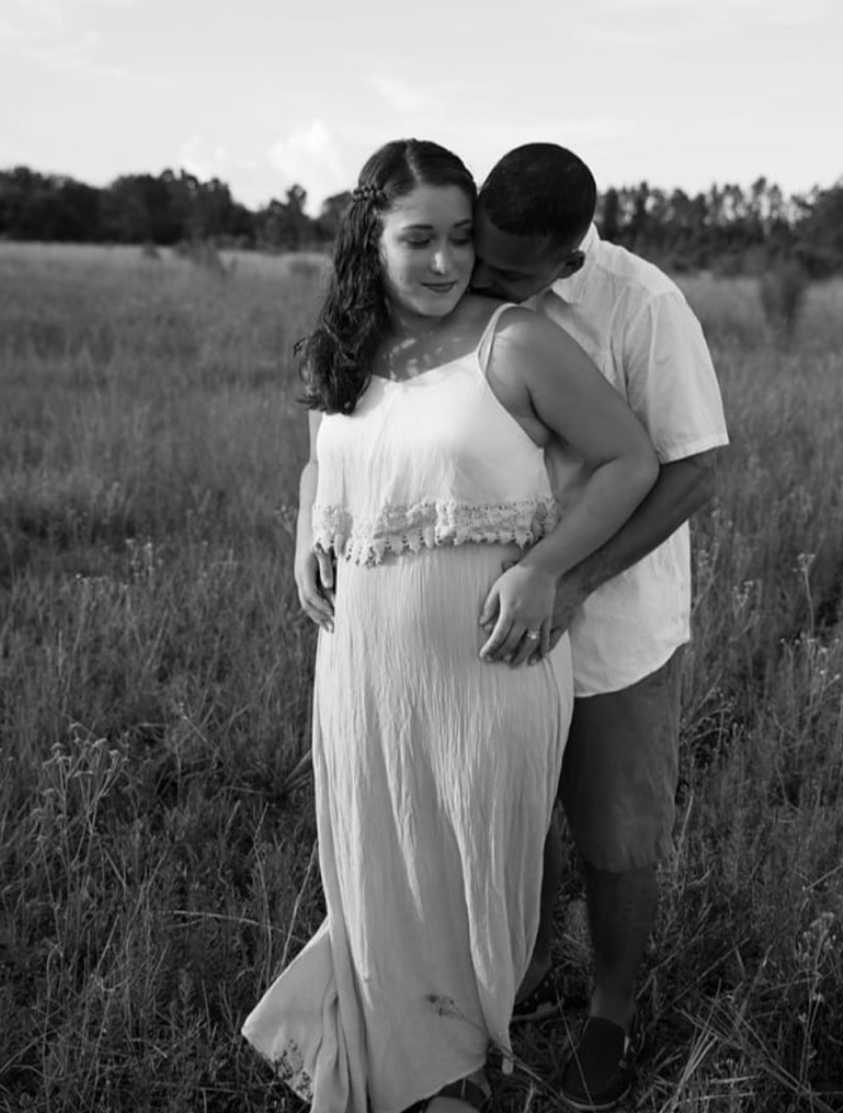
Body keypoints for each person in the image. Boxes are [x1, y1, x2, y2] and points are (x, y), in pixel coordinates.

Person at [241, 138, 658, 1113]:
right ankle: (407, 1072)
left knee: (472, 866)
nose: (443, 262)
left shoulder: (514, 340)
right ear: (368, 242)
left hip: (488, 669)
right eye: (417, 239)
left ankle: (464, 1067)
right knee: (372, 864)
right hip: (356, 668)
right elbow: (323, 458)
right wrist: (309, 528)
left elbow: (629, 461)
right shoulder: (343, 348)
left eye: (460, 239)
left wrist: (548, 569)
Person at [471, 143, 730, 1110]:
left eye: (509, 272)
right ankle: (521, 978)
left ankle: (611, 1015)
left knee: (617, 840)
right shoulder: (462, 290)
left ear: (568, 262)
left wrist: (576, 580)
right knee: (511, 830)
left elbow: (695, 468)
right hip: (495, 628)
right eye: (479, 255)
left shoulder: (644, 304)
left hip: (613, 629)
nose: (483, 281)